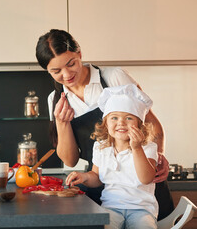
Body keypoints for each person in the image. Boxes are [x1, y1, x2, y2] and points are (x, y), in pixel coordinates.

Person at [35, 29, 174, 220]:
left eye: (71, 63)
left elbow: (151, 123)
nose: (67, 75)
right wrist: (61, 122)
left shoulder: (113, 78)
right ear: (47, 71)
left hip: (141, 190)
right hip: (103, 191)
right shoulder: (55, 100)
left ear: (80, 54)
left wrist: (158, 156)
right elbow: (70, 160)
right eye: (56, 71)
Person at [66, 84, 158, 229]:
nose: (121, 122)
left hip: (141, 209)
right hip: (111, 207)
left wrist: (136, 148)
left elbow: (146, 178)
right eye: (114, 118)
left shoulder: (148, 148)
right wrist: (84, 177)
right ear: (106, 124)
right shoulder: (101, 148)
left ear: (139, 125)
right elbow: (96, 177)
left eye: (128, 118)